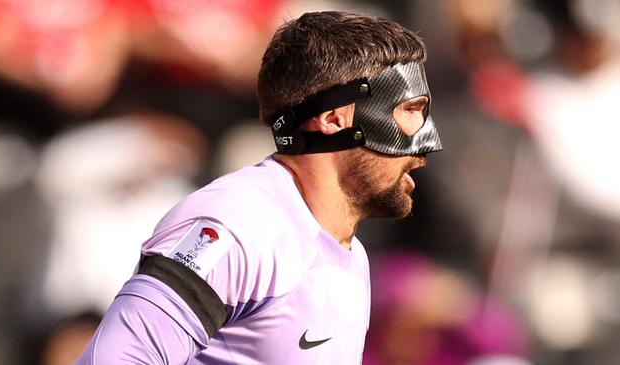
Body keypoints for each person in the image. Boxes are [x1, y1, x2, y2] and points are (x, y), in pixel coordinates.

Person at [75, 10, 442, 365]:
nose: (427, 146)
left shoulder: (349, 253)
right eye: (410, 109)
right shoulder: (237, 225)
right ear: (335, 119)